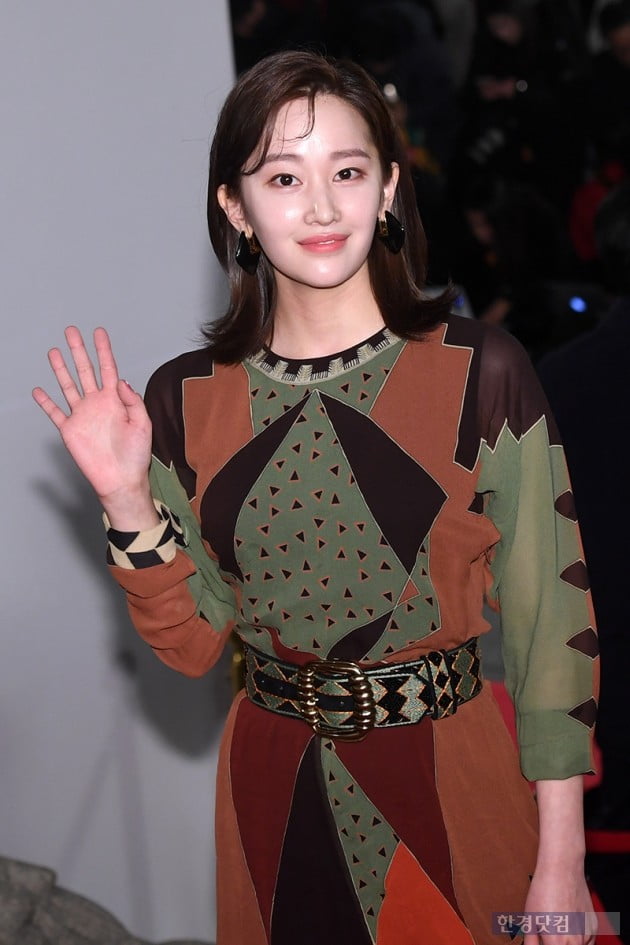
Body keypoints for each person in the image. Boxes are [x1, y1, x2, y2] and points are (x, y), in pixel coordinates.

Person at [33, 51, 598, 945]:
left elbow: (549, 627)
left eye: (348, 171)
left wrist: (562, 862)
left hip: (456, 780)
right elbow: (192, 645)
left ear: (389, 188)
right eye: (284, 178)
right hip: (273, 792)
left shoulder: (481, 370)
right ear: (236, 207)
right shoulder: (184, 398)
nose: (323, 207)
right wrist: (127, 499)